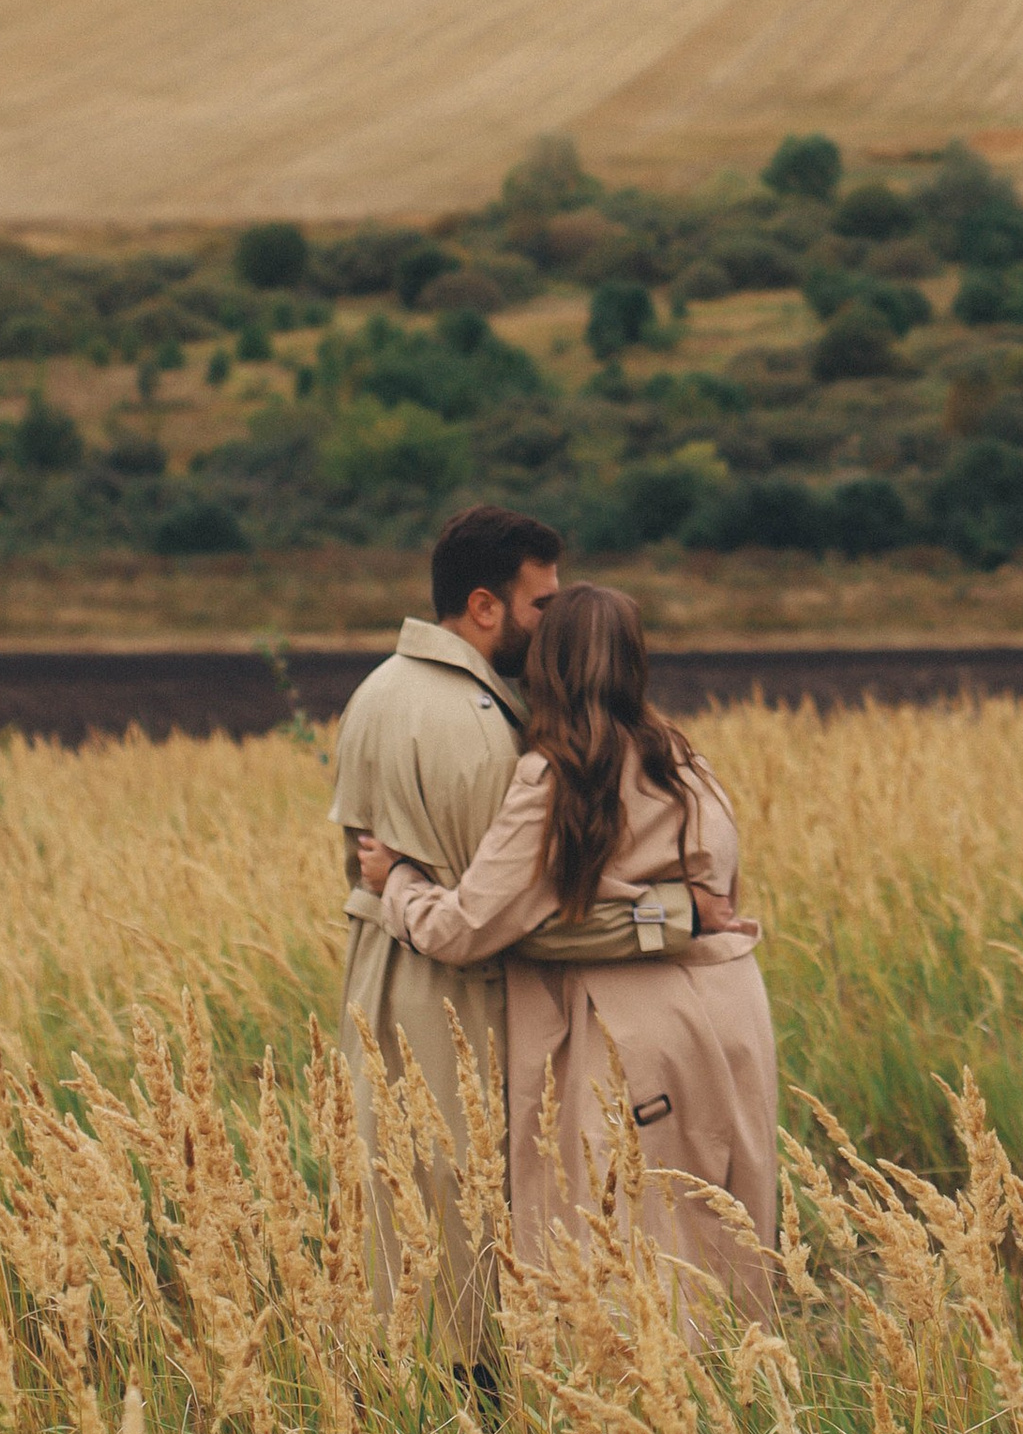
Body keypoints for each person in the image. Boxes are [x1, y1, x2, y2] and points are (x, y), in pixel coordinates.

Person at [354, 582, 779, 1317]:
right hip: (731, 1014)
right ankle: (741, 1389)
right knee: (721, 1235)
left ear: (544, 668)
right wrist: (670, 912)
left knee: (623, 1254)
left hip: (632, 1033)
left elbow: (464, 929)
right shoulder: (685, 762)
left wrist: (397, 883)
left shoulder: (555, 779)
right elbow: (717, 900)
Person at [329, 502, 565, 1348]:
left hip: (372, 989)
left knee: (395, 1228)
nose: (553, 622)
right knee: (471, 1239)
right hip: (463, 1007)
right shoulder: (480, 725)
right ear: (485, 606)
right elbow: (493, 912)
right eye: (542, 603)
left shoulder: (374, 692)